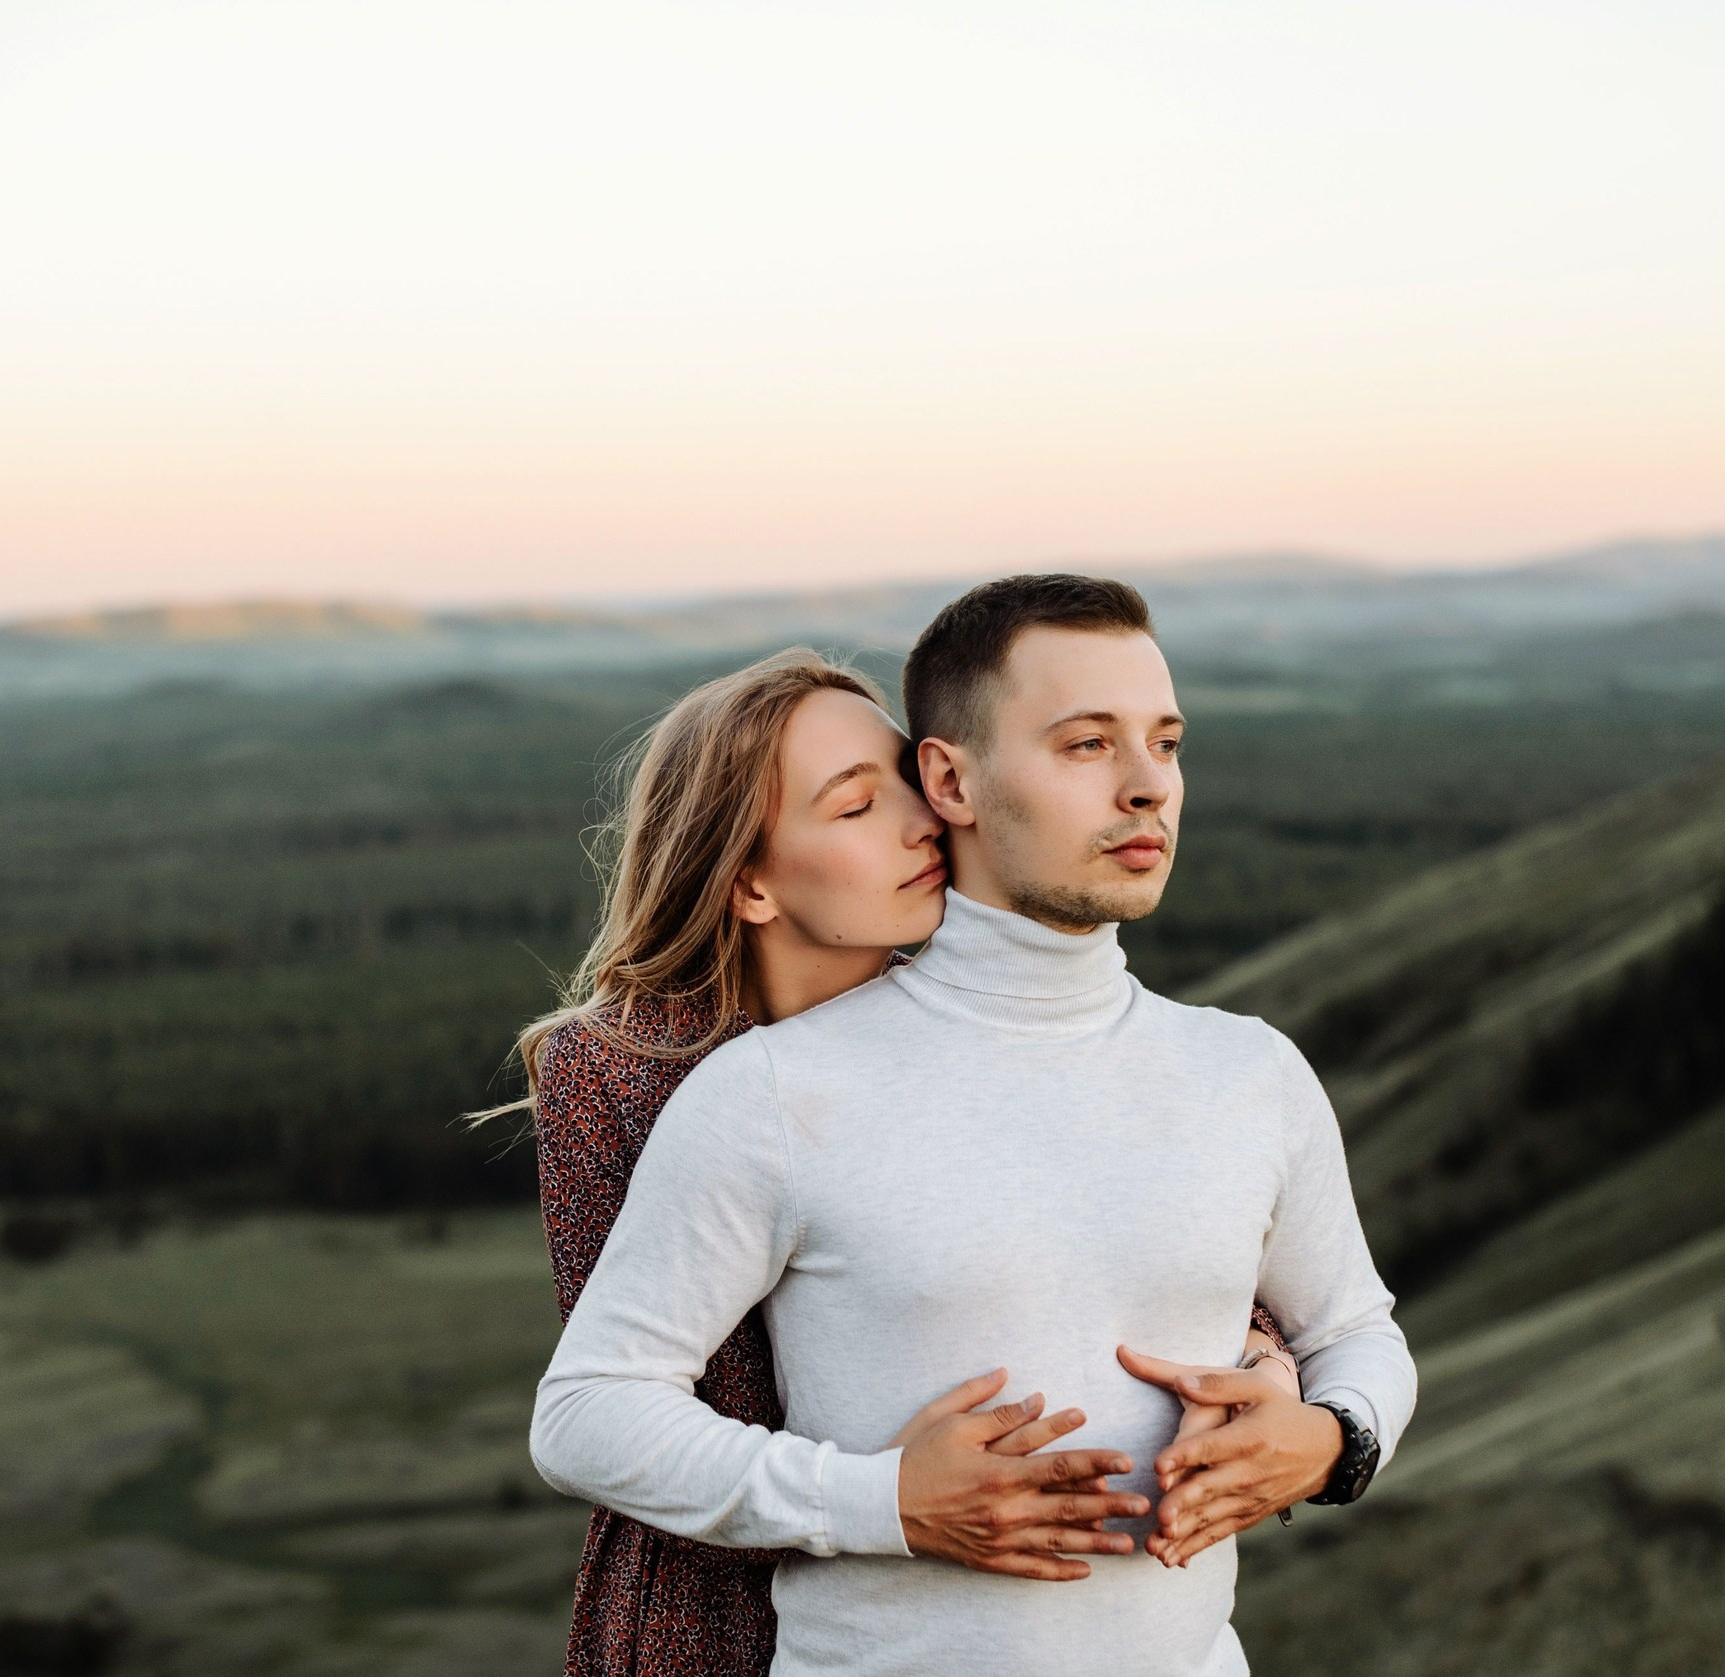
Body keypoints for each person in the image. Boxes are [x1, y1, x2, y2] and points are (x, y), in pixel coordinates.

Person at [529, 578, 1418, 1677]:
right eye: (1087, 744)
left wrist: (1333, 1439)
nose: (1149, 787)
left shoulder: (1248, 1070)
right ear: (952, 778)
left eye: (1168, 741)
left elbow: (1357, 1331)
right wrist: (883, 1497)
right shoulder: (758, 1089)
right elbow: (588, 1411)